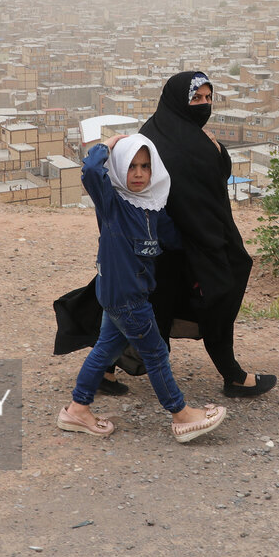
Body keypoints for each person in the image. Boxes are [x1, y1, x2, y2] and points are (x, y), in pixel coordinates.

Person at [58, 132, 227, 443]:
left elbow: (176, 240)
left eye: (145, 166)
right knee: (156, 353)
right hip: (126, 296)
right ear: (121, 168)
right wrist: (109, 144)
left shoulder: (152, 208)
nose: (137, 174)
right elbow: (92, 171)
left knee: (106, 348)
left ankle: (77, 409)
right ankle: (181, 415)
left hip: (121, 294)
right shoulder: (113, 206)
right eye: (131, 166)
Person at [141, 71, 277, 398]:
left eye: (207, 98)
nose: (204, 104)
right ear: (177, 99)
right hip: (167, 245)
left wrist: (218, 152)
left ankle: (230, 374)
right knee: (149, 306)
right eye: (196, 98)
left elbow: (214, 177)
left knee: (152, 306)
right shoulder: (154, 137)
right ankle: (227, 377)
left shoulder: (189, 135)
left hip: (192, 240)